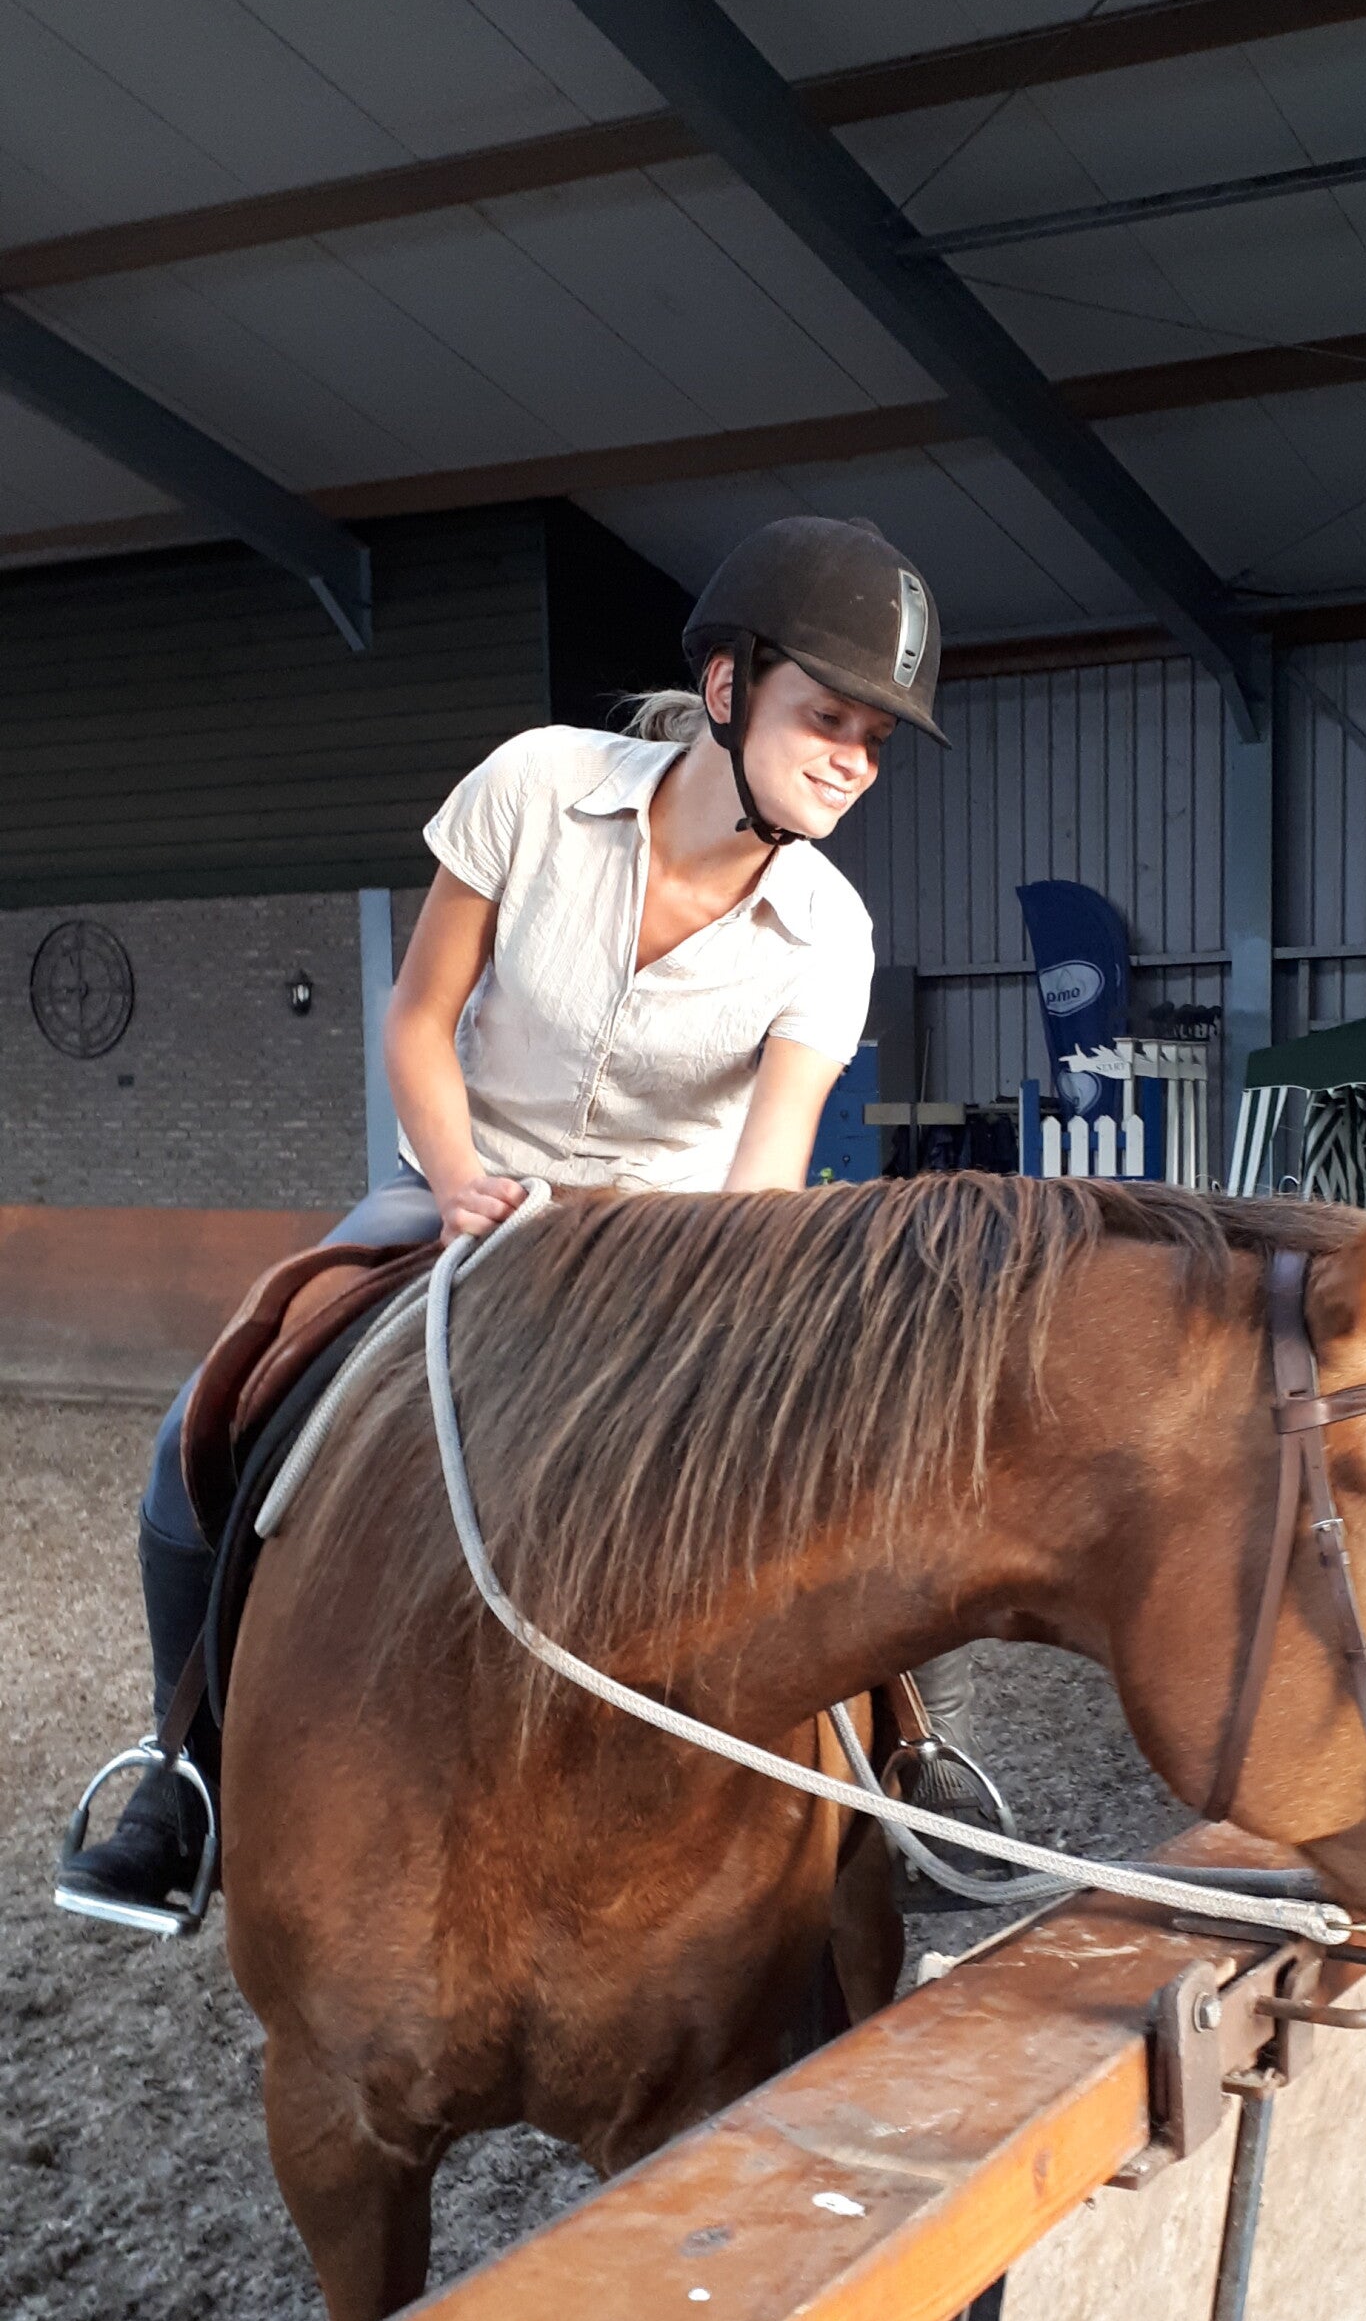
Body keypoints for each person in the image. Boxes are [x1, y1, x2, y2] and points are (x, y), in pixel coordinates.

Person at [79, 513, 972, 1914]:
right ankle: (183, 1773)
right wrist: (455, 1181)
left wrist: (729, 1310)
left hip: (671, 1248)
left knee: (859, 1451)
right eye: (828, 718)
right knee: (200, 1422)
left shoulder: (833, 934)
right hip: (458, 1189)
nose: (852, 760)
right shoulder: (536, 785)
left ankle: (905, 1764)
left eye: (874, 739)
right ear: (729, 684)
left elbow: (767, 1177)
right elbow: (418, 1019)